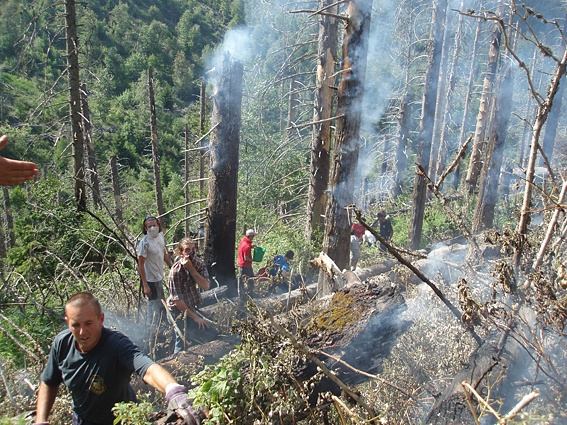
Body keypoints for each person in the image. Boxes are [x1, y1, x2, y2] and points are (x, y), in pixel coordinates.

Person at [35, 292, 204, 425]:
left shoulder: (116, 344)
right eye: (75, 325)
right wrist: (41, 420)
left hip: (123, 420)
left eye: (88, 323)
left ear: (101, 319)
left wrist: (174, 392)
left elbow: (147, 368)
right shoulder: (62, 344)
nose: (82, 332)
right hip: (82, 420)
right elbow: (49, 381)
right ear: (67, 323)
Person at [167, 238, 217, 353]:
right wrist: (195, 318)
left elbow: (206, 286)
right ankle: (177, 365)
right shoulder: (175, 272)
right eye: (187, 250)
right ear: (180, 253)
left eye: (193, 249)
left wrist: (191, 269)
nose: (191, 253)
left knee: (211, 334)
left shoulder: (199, 263)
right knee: (182, 339)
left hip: (192, 306)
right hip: (178, 312)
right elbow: (178, 301)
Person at [138, 216, 173, 336]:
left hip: (159, 276)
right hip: (150, 279)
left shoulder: (160, 237)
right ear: (145, 228)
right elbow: (141, 264)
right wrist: (145, 285)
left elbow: (162, 251)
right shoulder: (144, 243)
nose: (152, 228)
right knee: (153, 305)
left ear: (158, 225)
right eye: (149, 226)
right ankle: (151, 331)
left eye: (154, 225)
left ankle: (163, 326)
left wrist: (170, 265)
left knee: (161, 302)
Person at [237, 229, 257, 296]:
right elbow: (246, 258)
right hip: (246, 265)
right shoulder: (247, 247)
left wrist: (252, 246)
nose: (253, 237)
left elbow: (246, 245)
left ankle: (241, 293)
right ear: (250, 236)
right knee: (251, 279)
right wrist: (254, 260)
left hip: (240, 263)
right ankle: (250, 293)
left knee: (241, 280)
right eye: (253, 236)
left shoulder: (243, 240)